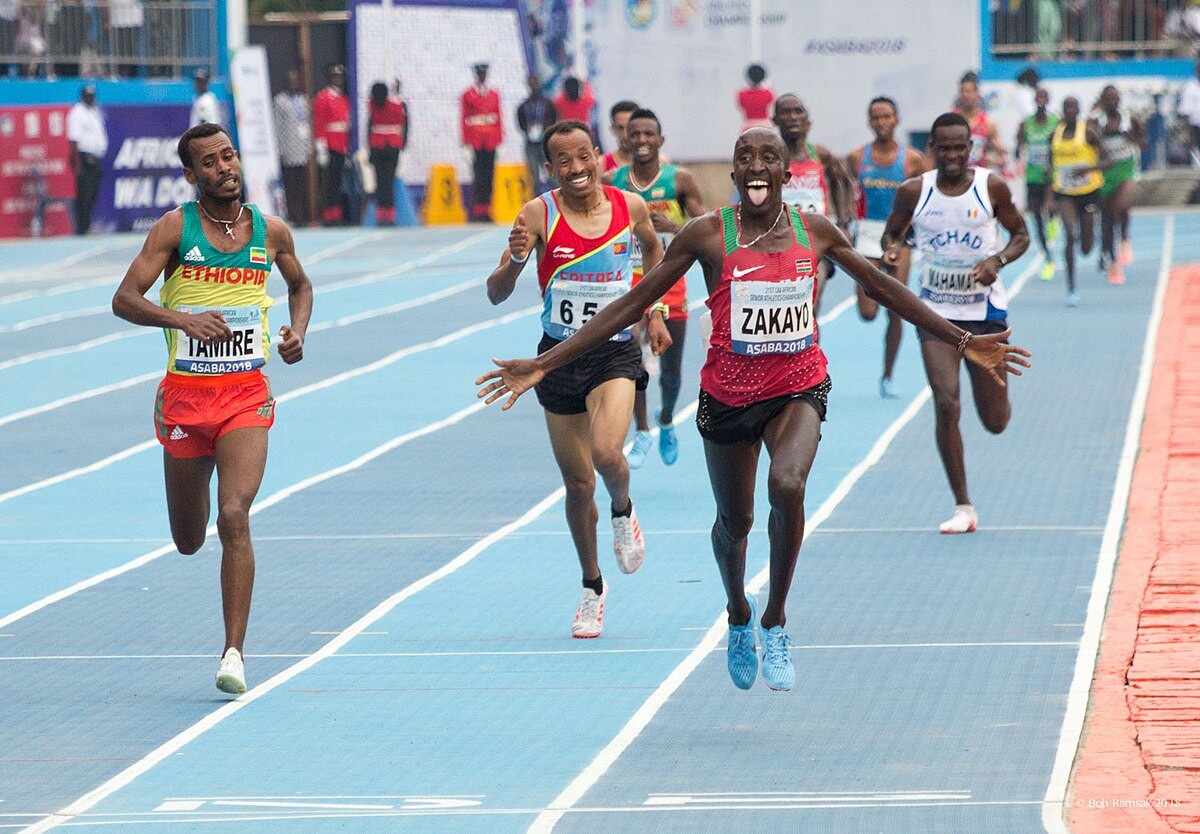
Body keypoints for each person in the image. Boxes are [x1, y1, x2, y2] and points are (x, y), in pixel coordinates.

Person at [476, 126, 1030, 691]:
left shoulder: (814, 231)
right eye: (746, 158)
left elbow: (886, 289)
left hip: (797, 388)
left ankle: (776, 619)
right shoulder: (706, 235)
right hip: (729, 396)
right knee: (735, 523)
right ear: (734, 174)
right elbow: (632, 302)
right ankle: (738, 612)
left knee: (787, 486)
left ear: (786, 174)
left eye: (769, 158)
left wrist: (963, 340)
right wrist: (546, 362)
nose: (758, 166)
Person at [111, 123, 313, 695]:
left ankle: (233, 654)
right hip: (184, 400)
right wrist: (183, 319)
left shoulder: (271, 232)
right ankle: (191, 506)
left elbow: (301, 286)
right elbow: (124, 299)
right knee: (189, 539)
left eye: (228, 156)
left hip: (245, 396)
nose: (224, 167)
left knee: (234, 516)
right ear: (191, 174)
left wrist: (297, 332)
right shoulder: (176, 229)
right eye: (210, 162)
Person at [477, 119, 667, 640]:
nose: (577, 167)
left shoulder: (629, 207)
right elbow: (495, 293)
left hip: (613, 353)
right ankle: (592, 586)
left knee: (607, 454)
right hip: (557, 358)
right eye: (564, 160)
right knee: (579, 485)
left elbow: (655, 253)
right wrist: (517, 260)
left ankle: (623, 510)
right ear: (550, 168)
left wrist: (653, 310)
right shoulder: (537, 214)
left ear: (600, 156)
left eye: (584, 156)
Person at [882, 112, 1030, 535]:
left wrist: (996, 260)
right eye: (943, 148)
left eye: (959, 148)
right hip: (936, 317)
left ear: (970, 148)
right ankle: (963, 505)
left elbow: (1021, 236)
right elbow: (892, 234)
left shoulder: (991, 187)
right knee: (946, 401)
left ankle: (998, 404)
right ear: (932, 148)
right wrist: (891, 251)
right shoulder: (914, 191)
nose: (951, 155)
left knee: (995, 421)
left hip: (985, 317)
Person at [607, 108, 706, 467]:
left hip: (670, 281)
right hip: (628, 283)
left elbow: (706, 229)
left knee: (671, 372)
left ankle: (665, 420)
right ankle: (642, 429)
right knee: (632, 352)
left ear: (660, 140)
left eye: (649, 134)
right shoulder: (612, 181)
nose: (642, 140)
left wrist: (673, 227)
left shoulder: (680, 180)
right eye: (635, 134)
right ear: (625, 138)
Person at [845, 96, 930, 399]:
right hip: (867, 234)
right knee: (868, 312)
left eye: (887, 116)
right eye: (876, 117)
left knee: (897, 308)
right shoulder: (857, 158)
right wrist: (846, 222)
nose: (882, 122)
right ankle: (878, 293)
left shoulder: (913, 160)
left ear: (897, 120)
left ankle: (887, 376)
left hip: (898, 236)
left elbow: (924, 199)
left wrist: (912, 232)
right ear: (870, 122)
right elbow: (846, 192)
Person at [772, 93, 854, 310]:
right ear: (775, 120)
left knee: (808, 304)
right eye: (786, 112)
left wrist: (843, 221)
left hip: (815, 241)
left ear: (806, 119)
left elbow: (842, 180)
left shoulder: (819, 154)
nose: (792, 117)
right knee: (786, 308)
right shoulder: (771, 157)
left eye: (798, 111)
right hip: (779, 241)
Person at [1049, 96, 1110, 306]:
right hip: (1064, 193)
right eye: (1066, 107)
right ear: (1062, 111)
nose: (1069, 111)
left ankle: (1090, 235)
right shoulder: (1054, 135)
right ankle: (1071, 289)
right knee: (1069, 235)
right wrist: (1050, 194)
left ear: (1078, 110)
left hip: (1088, 191)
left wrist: (1088, 169)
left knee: (1085, 247)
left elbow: (1108, 160)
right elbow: (1051, 164)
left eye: (1073, 107)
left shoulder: (1089, 132)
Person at [1092, 85, 1146, 284]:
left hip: (1125, 170)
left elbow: (1144, 142)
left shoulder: (1129, 119)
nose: (1112, 102)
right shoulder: (1096, 122)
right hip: (1105, 174)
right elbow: (1088, 144)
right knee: (1107, 219)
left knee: (1121, 206)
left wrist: (1134, 138)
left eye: (1115, 98)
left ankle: (1124, 238)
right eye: (1108, 99)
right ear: (1102, 101)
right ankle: (1112, 261)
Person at [1015, 86, 1061, 281]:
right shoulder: (1027, 124)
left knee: (1050, 206)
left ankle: (1053, 219)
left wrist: (1053, 163)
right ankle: (1048, 258)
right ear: (1034, 100)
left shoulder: (1055, 122)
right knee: (1035, 217)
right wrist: (1018, 148)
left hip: (1050, 176)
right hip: (1033, 176)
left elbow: (1062, 146)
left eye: (1044, 96)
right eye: (1038, 97)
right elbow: (1019, 144)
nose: (1041, 100)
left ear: (1048, 100)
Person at [460, 62, 503, 222]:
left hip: (490, 140)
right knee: (478, 176)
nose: (482, 77)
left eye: (484, 74)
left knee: (489, 175)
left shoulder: (493, 94)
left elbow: (498, 117)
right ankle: (478, 210)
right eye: (479, 74)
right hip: (476, 140)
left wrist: (499, 138)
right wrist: (466, 142)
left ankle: (487, 209)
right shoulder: (468, 95)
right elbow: (464, 118)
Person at [273, 68, 312, 227]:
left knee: (301, 185)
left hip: (301, 147)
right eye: (290, 81)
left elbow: (307, 123)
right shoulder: (280, 101)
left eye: (295, 81)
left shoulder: (303, 100)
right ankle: (293, 215)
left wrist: (308, 147)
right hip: (288, 147)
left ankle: (302, 216)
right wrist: (280, 149)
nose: (293, 84)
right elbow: (278, 126)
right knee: (290, 185)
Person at [66, 83, 107, 236]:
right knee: (84, 194)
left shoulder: (93, 111)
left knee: (92, 193)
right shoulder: (77, 113)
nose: (91, 98)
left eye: (92, 96)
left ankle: (87, 224)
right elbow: (73, 139)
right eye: (88, 96)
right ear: (82, 96)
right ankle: (82, 227)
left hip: (94, 158)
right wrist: (77, 164)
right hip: (83, 158)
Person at [313, 63, 350, 227]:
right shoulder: (323, 97)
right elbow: (320, 122)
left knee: (337, 181)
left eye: (340, 77)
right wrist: (321, 146)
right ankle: (328, 215)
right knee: (328, 182)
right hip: (329, 144)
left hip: (341, 144)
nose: (338, 80)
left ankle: (336, 214)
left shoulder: (343, 98)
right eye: (335, 77)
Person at [366, 80, 408, 226]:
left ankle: (383, 214)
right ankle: (388, 215)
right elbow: (403, 123)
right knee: (387, 181)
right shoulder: (397, 105)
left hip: (379, 145)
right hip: (391, 145)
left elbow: (369, 126)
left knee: (381, 181)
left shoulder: (372, 105)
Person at [954, 71, 1007, 169]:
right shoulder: (951, 121)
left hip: (978, 176)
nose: (965, 95)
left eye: (968, 91)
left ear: (977, 94)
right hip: (956, 176)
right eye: (962, 91)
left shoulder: (988, 124)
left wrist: (992, 162)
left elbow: (1003, 158)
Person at [516, 74, 558, 195]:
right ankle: (537, 201)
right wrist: (528, 129)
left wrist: (545, 127)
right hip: (531, 144)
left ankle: (558, 199)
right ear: (528, 85)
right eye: (531, 84)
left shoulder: (548, 104)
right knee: (534, 176)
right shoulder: (523, 106)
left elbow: (553, 119)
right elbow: (520, 123)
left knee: (552, 174)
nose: (534, 86)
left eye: (536, 83)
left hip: (545, 143)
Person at [601, 100, 639, 173]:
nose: (625, 135)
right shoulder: (601, 164)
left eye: (630, 127)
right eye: (620, 128)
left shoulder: (658, 163)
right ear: (612, 129)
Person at [736, 63, 774, 132]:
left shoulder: (741, 94)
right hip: (765, 126)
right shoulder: (768, 93)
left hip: (748, 126)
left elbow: (740, 106)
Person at [1179, 58, 1200, 169]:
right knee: (1196, 149)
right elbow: (1185, 111)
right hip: (1195, 126)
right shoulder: (1190, 87)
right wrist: (1187, 130)